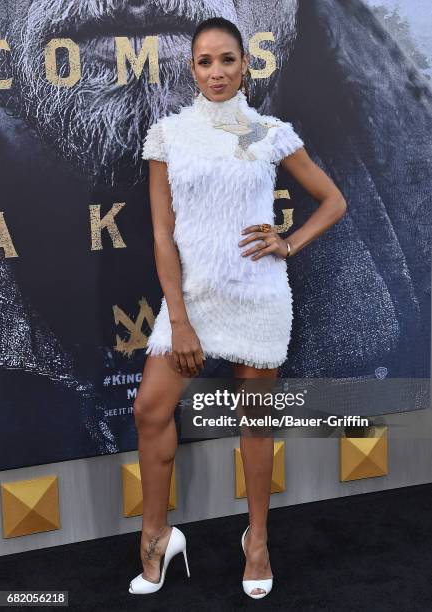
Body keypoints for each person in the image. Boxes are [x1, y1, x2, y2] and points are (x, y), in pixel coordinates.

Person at [129, 17, 346, 600]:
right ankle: (156, 538)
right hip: (192, 299)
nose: (216, 72)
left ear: (246, 64)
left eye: (227, 60)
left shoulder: (270, 131)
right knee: (150, 411)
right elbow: (161, 235)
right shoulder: (168, 135)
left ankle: (257, 540)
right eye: (204, 62)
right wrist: (177, 319)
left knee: (254, 424)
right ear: (192, 68)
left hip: (256, 296)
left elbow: (332, 200)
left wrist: (288, 242)